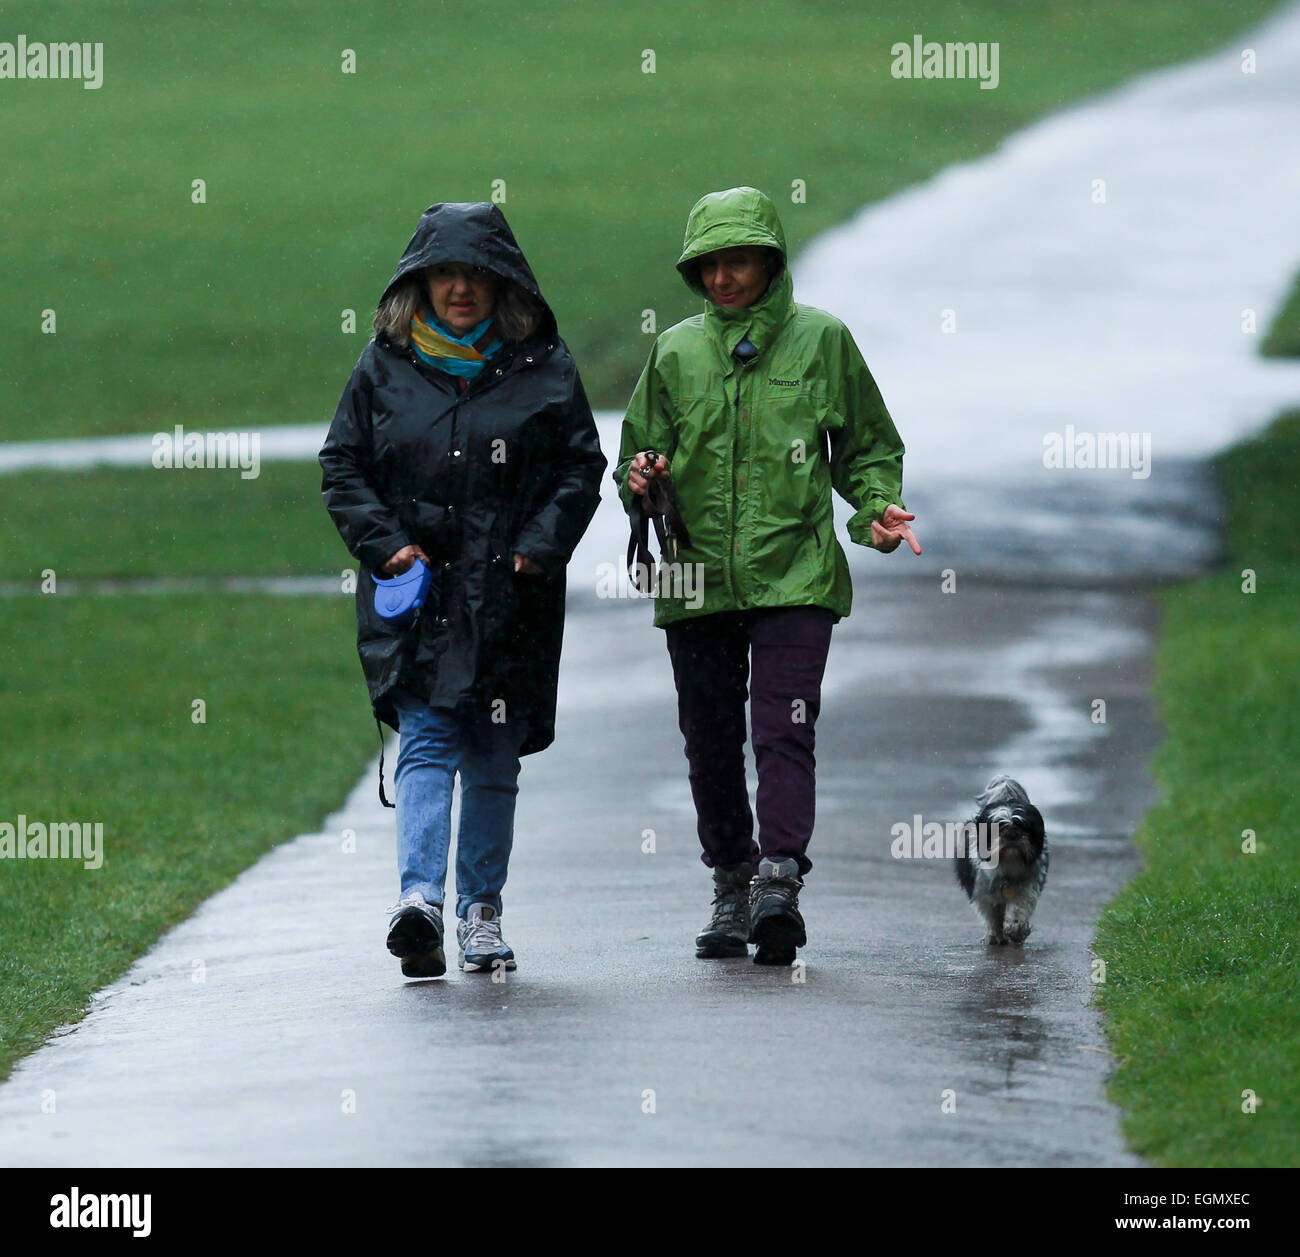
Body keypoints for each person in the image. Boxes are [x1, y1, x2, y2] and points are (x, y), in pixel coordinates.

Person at [614, 186, 920, 966]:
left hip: (796, 574)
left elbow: (866, 449)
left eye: (738, 260)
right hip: (694, 579)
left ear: (771, 262)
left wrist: (877, 509)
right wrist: (642, 479)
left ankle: (779, 881)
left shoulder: (823, 341)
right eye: (709, 265)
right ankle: (731, 881)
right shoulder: (676, 350)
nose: (723, 278)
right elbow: (636, 454)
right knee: (708, 741)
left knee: (784, 729)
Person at [321, 202, 605, 979]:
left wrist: (535, 552)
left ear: (504, 284)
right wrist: (388, 547)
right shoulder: (382, 366)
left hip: (511, 600)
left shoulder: (544, 366)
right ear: (419, 283)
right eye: (445, 274)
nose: (460, 289)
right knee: (426, 738)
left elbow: (582, 468)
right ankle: (419, 902)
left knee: (489, 748)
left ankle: (481, 912)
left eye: (477, 275)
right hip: (417, 598)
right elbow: (343, 466)